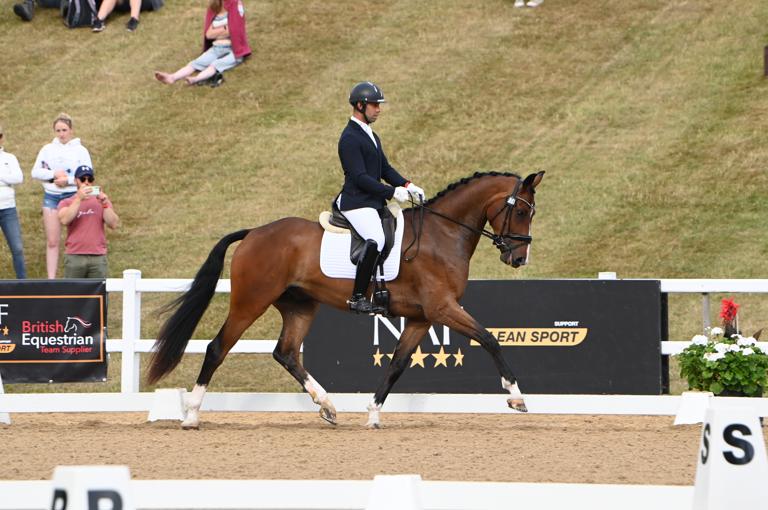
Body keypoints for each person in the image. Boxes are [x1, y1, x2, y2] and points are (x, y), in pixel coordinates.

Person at [335, 81, 425, 314]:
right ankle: (357, 297)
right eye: (374, 105)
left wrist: (407, 184)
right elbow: (360, 177)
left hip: (372, 202)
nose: (379, 109)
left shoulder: (371, 135)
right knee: (376, 238)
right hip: (356, 202)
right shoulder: (349, 138)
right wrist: (392, 192)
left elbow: (384, 169)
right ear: (360, 105)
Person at [31, 113, 93, 279]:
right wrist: (53, 174)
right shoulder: (47, 149)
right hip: (51, 197)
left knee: (78, 239)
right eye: (58, 130)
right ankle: (51, 279)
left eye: (64, 130)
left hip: (74, 196)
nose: (61, 134)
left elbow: (88, 175)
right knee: (52, 241)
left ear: (71, 130)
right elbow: (35, 172)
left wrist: (69, 181)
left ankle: (77, 275)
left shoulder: (80, 150)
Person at [153, 0, 251, 87]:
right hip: (216, 48)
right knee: (196, 63)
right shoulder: (213, 7)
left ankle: (196, 79)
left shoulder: (234, 3)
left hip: (234, 48)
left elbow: (235, 29)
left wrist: (218, 30)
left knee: (215, 65)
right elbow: (208, 34)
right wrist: (225, 28)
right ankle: (172, 77)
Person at [57, 165, 119, 278]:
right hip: (75, 256)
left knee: (98, 290)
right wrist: (78, 199)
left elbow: (113, 224)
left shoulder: (101, 201)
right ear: (75, 181)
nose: (86, 182)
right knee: (73, 289)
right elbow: (65, 219)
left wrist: (105, 204)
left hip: (98, 256)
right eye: (82, 179)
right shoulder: (66, 202)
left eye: (90, 179)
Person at [0, 125, 27, 279]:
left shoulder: (10, 158)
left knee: (17, 248)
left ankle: (23, 284)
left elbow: (18, 178)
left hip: (8, 209)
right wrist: (6, 179)